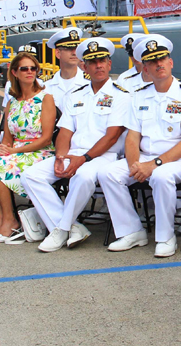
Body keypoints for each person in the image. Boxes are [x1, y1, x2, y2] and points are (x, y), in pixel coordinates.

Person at [21, 38, 130, 252]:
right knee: (30, 176)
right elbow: (65, 131)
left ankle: (61, 230)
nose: (98, 65)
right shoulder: (76, 95)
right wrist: (61, 156)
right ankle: (71, 226)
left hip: (104, 156)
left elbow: (112, 136)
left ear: (109, 64)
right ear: (84, 67)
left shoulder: (122, 95)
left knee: (83, 176)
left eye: (102, 61)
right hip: (73, 154)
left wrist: (84, 159)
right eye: (92, 62)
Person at [100, 34, 181, 257]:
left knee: (160, 176)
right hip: (145, 158)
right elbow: (132, 137)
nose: (159, 65)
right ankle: (131, 231)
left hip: (178, 160)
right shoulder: (139, 96)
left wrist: (153, 165)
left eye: (162, 59)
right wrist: (135, 165)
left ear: (171, 62)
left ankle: (166, 237)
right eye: (152, 62)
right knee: (108, 173)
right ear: (145, 69)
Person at [0, 53, 55, 244]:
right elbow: (8, 138)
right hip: (15, 152)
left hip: (39, 152)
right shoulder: (12, 103)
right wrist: (4, 150)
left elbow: (46, 139)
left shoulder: (45, 98)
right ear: (15, 73)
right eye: (24, 68)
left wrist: (12, 152)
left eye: (33, 68)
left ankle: (10, 219)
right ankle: (2, 217)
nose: (30, 72)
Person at [43, 27, 86, 110]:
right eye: (69, 49)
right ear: (58, 53)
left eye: (76, 49)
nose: (74, 53)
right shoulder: (45, 85)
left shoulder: (89, 83)